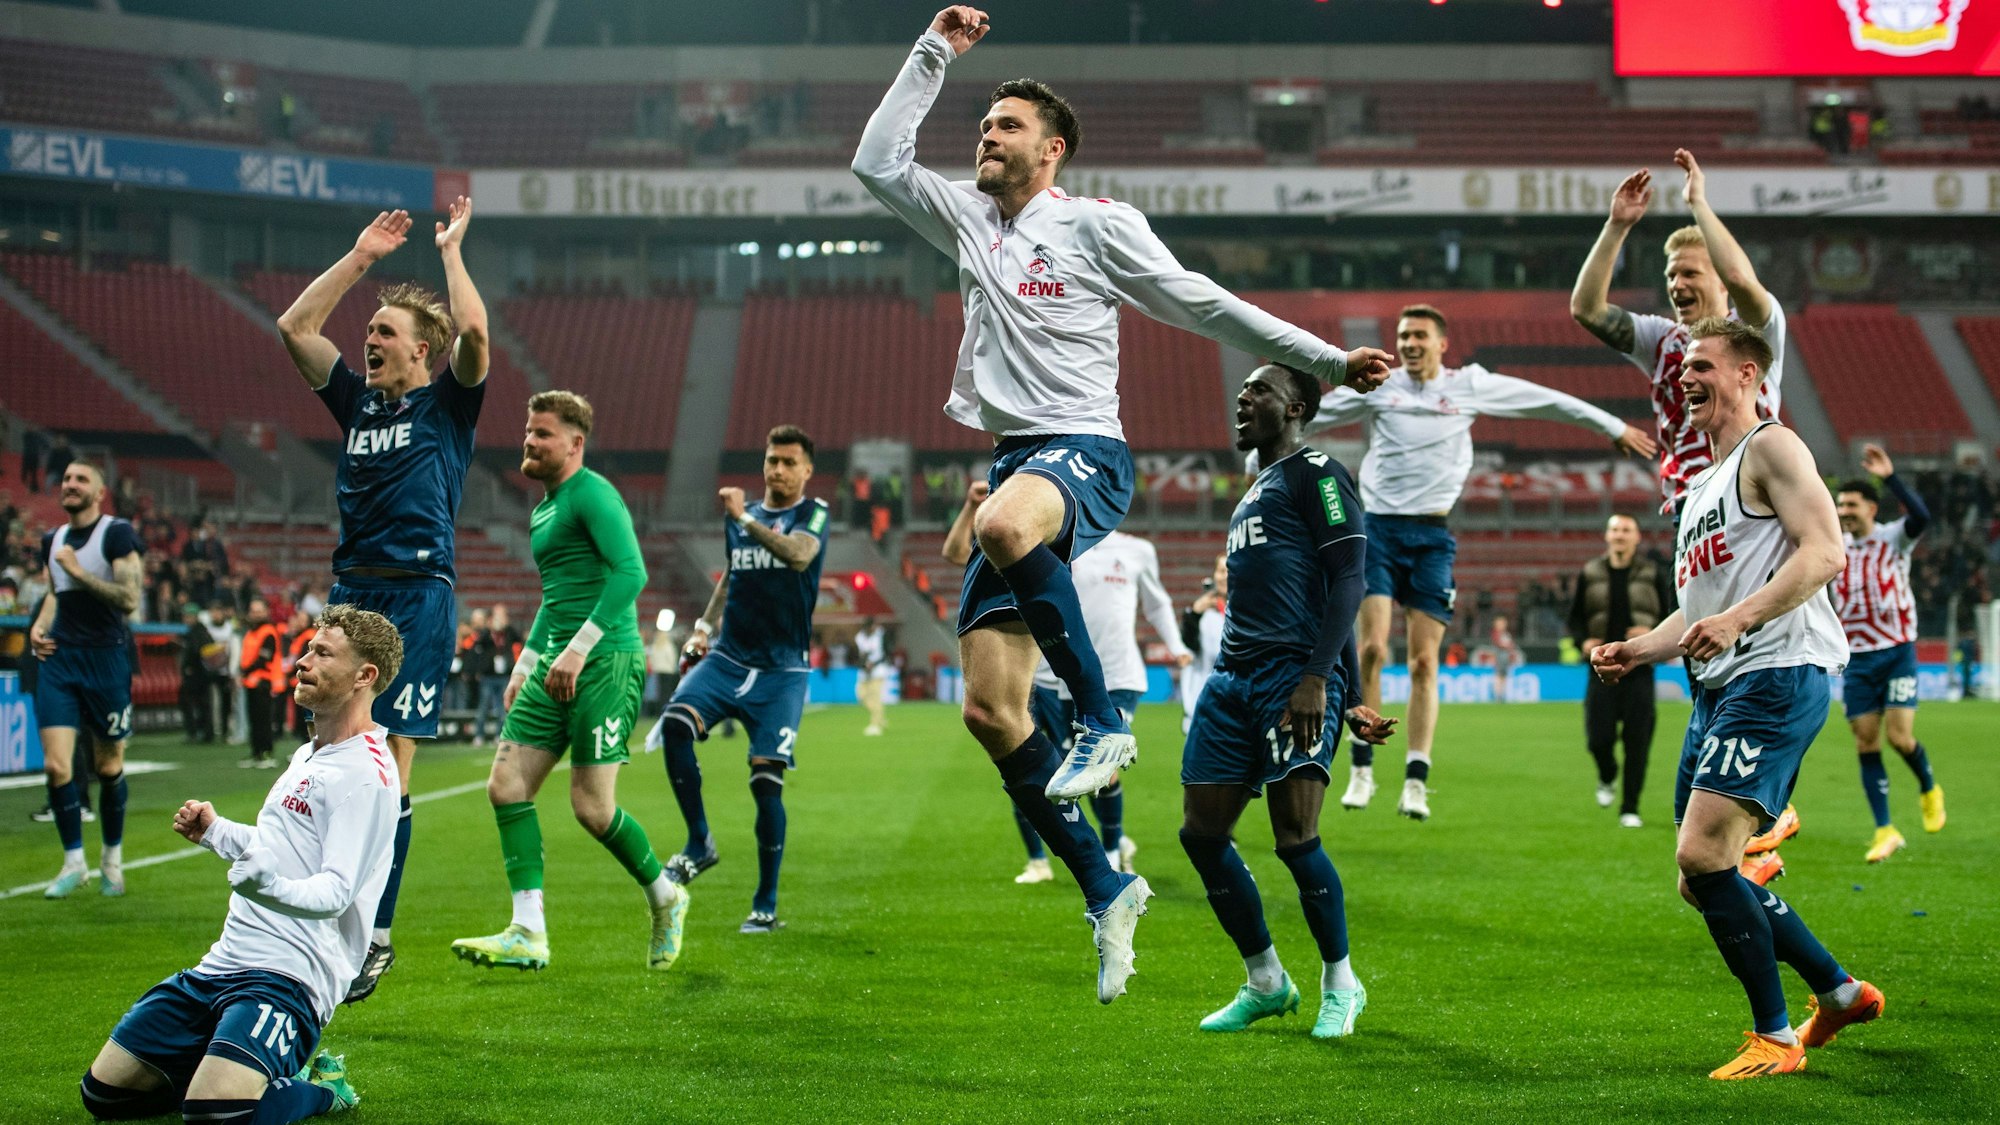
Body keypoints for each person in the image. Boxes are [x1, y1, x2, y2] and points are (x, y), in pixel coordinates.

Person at [852, 5, 1393, 1001]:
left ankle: (1102, 719)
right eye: (983, 124)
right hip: (1019, 451)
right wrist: (933, 54)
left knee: (1002, 524)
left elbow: (1198, 300)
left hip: (1085, 453)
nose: (985, 134)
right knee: (989, 710)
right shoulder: (967, 217)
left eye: (1005, 125)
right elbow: (876, 164)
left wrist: (1319, 357)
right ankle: (1104, 885)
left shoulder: (1095, 225)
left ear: (1050, 152)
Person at [1590, 318, 1880, 1080]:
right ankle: (1839, 991)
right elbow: (1701, 607)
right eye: (1683, 367)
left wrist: (1740, 619)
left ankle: (1776, 1037)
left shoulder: (1772, 447)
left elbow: (1825, 551)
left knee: (1703, 852)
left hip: (1778, 672)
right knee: (1701, 877)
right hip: (1719, 688)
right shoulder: (1700, 486)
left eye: (1703, 365)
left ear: (1750, 373)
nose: (1686, 377)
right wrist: (1639, 647)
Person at [1296, 303, 1655, 819]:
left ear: (1443, 344)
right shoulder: (1381, 385)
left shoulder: (1470, 385)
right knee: (1372, 649)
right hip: (1376, 529)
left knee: (1423, 662)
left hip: (1433, 534)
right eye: (1404, 335)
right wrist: (1257, 452)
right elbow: (1311, 417)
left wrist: (1612, 425)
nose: (1411, 343)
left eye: (1421, 335)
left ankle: (1416, 778)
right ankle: (1361, 768)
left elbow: (1545, 401)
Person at [276, 198, 489, 1003]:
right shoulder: (357, 403)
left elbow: (476, 336)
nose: (369, 339)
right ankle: (317, 905)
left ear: (422, 351)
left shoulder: (448, 406)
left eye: (386, 333)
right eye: (369, 332)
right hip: (349, 592)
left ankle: (376, 930)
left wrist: (450, 254)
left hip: (416, 596)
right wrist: (361, 257)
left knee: (389, 766)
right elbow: (296, 327)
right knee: (329, 757)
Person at [79, 605, 404, 1123]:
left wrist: (265, 885)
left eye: (323, 653)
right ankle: (225, 1069)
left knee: (215, 1116)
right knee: (104, 1095)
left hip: (291, 976)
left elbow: (335, 893)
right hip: (224, 962)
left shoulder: (365, 775)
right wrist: (217, 832)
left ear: (365, 676)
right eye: (307, 648)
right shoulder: (310, 754)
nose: (302, 661)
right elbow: (281, 845)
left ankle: (323, 1091)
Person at [1181, 364, 1397, 1039]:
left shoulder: (1319, 473)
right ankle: (1267, 979)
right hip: (1230, 680)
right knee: (1202, 835)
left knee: (1294, 838)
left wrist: (1321, 681)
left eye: (1260, 392)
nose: (1244, 399)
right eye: (1241, 391)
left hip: (1290, 680)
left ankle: (1342, 981)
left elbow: (1349, 579)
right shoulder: (1256, 487)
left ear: (1297, 406)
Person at [453, 391, 688, 974]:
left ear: (575, 444)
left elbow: (632, 572)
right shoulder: (543, 509)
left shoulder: (593, 494)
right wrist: (526, 663)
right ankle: (527, 930)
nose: (528, 442)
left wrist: (578, 651)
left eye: (543, 434)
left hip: (604, 663)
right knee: (507, 785)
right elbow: (556, 597)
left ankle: (666, 895)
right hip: (557, 665)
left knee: (591, 807)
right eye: (528, 432)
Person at [948, 486, 1192, 883]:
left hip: (1117, 674)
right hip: (1055, 675)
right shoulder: (1051, 541)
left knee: (1104, 765)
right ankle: (1061, 855)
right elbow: (967, 558)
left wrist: (1177, 645)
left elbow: (1157, 602)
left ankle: (1110, 853)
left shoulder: (1137, 550)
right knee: (1057, 767)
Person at [649, 425, 828, 935]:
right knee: (677, 722)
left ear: (807, 471)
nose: (778, 469)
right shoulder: (741, 522)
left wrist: (745, 516)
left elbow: (798, 555)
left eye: (789, 462)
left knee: (766, 782)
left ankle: (765, 904)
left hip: (783, 670)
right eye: (772, 459)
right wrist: (704, 627)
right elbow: (732, 574)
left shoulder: (811, 515)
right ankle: (698, 840)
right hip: (729, 657)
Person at [1570, 149, 1786, 521]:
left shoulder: (1754, 331)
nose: (1677, 284)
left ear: (1718, 280)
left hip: (1752, 494)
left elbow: (1739, 277)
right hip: (1690, 506)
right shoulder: (1661, 339)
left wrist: (1698, 203)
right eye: (1671, 275)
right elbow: (1586, 310)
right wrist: (1616, 227)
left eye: (1690, 274)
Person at [32, 461, 142, 899]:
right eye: (66, 480)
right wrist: (38, 627)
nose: (70, 485)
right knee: (57, 765)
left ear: (99, 493)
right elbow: (54, 594)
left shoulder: (115, 534)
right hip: (61, 659)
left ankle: (111, 861)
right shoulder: (52, 540)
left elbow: (130, 599)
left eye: (81, 480)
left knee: (108, 766)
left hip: (107, 660)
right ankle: (73, 862)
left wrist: (79, 571)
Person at [1833, 444, 1946, 862]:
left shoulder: (1893, 538)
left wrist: (1891, 476)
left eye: (1851, 504)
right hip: (1858, 658)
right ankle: (1885, 829)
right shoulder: (1835, 543)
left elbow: (1922, 517)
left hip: (1896, 651)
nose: (1843, 510)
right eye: (1840, 504)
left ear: (1871, 508)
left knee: (1899, 738)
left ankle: (1929, 787)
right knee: (1866, 743)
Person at [1567, 514, 1675, 827]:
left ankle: (1630, 808)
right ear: (1606, 536)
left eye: (1626, 530)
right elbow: (1574, 618)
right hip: (1601, 668)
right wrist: (1582, 641)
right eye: (1614, 529)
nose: (1620, 535)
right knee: (1597, 740)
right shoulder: (1590, 572)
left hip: (1638, 669)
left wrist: (1651, 632)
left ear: (1637, 538)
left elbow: (1672, 613)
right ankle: (1607, 774)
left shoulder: (1653, 572)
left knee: (1637, 741)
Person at [1179, 554, 1227, 735]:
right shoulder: (1199, 613)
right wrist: (1194, 615)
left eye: (1230, 571)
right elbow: (1186, 645)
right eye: (1222, 571)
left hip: (1236, 709)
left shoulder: (1247, 614)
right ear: (1213, 576)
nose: (1226, 576)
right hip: (1201, 710)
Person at [238, 598, 286, 769]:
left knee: (264, 720)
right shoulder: (252, 632)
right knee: (254, 720)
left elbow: (264, 658)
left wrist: (244, 671)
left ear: (266, 612)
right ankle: (256, 753)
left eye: (259, 611)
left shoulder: (268, 631)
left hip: (263, 682)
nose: (256, 614)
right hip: (251, 682)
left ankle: (267, 753)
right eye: (253, 611)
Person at [180, 602, 217, 742]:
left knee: (194, 703)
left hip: (196, 674)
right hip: (202, 674)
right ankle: (205, 732)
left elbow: (199, 652)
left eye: (188, 616)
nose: (185, 619)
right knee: (203, 704)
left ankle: (197, 732)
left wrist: (190, 667)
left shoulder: (196, 633)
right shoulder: (202, 631)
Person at [285, 609, 317, 742]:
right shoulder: (300, 636)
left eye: (302, 619)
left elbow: (302, 659)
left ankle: (308, 746)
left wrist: (290, 672)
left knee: (305, 718)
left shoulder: (308, 636)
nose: (299, 622)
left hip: (305, 681)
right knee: (301, 719)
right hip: (297, 680)